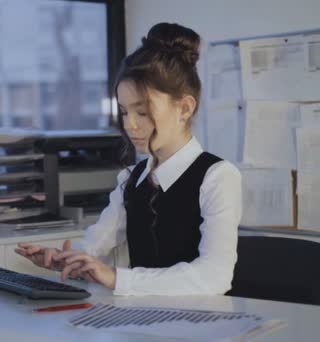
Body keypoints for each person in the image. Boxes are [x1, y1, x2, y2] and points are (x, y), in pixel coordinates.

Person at [15, 22, 242, 296]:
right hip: (144, 322)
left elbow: (215, 276)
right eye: (124, 112)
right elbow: (95, 245)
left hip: (204, 327)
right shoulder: (130, 180)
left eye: (142, 112)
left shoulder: (218, 177)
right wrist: (63, 259)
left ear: (184, 107)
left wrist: (117, 279)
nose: (130, 125)